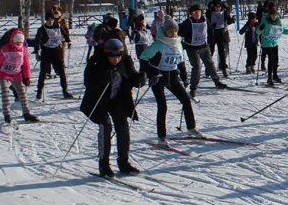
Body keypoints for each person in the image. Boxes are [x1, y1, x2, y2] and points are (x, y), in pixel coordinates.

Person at [80, 38, 145, 177]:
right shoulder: (96, 61)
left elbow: (132, 75)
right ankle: (104, 164)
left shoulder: (125, 60)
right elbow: (88, 82)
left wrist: (140, 79)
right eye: (112, 56)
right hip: (98, 101)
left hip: (117, 98)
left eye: (118, 56)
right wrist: (103, 78)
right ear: (106, 54)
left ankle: (123, 162)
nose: (116, 59)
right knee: (106, 126)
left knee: (122, 126)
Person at [140, 16, 201, 140]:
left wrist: (184, 77)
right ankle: (161, 136)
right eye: (170, 31)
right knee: (162, 106)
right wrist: (151, 74)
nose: (173, 33)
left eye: (175, 30)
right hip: (158, 77)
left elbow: (181, 62)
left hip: (172, 76)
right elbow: (143, 58)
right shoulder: (159, 44)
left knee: (186, 100)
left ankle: (191, 128)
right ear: (165, 31)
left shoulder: (178, 43)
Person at [178, 3, 227, 98]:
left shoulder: (204, 20)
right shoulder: (188, 22)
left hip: (204, 47)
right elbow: (180, 31)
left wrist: (211, 40)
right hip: (192, 48)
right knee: (197, 67)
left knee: (210, 64)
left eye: (199, 12)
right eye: (195, 12)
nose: (197, 14)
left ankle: (217, 81)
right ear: (191, 14)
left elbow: (210, 29)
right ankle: (193, 88)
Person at [0, 28, 38, 124]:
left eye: (20, 42)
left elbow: (26, 65)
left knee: (22, 93)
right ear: (12, 40)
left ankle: (26, 113)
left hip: (16, 74)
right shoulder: (6, 48)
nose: (18, 44)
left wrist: (26, 77)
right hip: (3, 73)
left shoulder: (23, 50)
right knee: (5, 93)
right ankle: (7, 114)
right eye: (16, 42)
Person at [33, 11, 73, 99]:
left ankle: (65, 91)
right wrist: (36, 51)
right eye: (48, 20)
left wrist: (68, 40)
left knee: (62, 72)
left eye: (51, 19)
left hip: (56, 52)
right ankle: (39, 92)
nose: (50, 21)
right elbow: (37, 40)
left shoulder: (58, 26)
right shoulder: (42, 29)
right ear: (46, 20)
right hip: (46, 52)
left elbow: (65, 34)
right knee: (43, 73)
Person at [256, 2, 288, 86]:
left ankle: (275, 75)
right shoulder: (265, 21)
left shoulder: (279, 21)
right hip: (266, 43)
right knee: (271, 59)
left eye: (275, 15)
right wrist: (260, 28)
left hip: (275, 42)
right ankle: (269, 78)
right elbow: (257, 31)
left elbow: (283, 30)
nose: (274, 17)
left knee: (276, 60)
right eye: (272, 15)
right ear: (269, 15)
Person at [207, 0, 234, 78]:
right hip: (212, 34)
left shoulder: (224, 13)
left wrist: (231, 19)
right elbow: (207, 20)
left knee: (222, 52)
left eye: (219, 7)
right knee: (210, 52)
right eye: (216, 7)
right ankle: (208, 69)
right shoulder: (210, 13)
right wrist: (212, 26)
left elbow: (228, 21)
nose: (217, 8)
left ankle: (223, 69)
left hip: (221, 34)